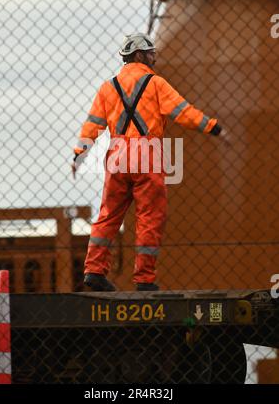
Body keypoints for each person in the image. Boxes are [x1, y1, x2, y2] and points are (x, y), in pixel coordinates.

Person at [72, 32, 226, 292]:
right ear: (140, 55)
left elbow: (93, 125)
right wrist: (213, 127)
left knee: (108, 216)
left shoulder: (108, 87)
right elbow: (183, 113)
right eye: (151, 52)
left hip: (118, 154)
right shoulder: (156, 84)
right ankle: (144, 279)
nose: (155, 56)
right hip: (147, 153)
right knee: (149, 216)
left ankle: (94, 271)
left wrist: (80, 154)